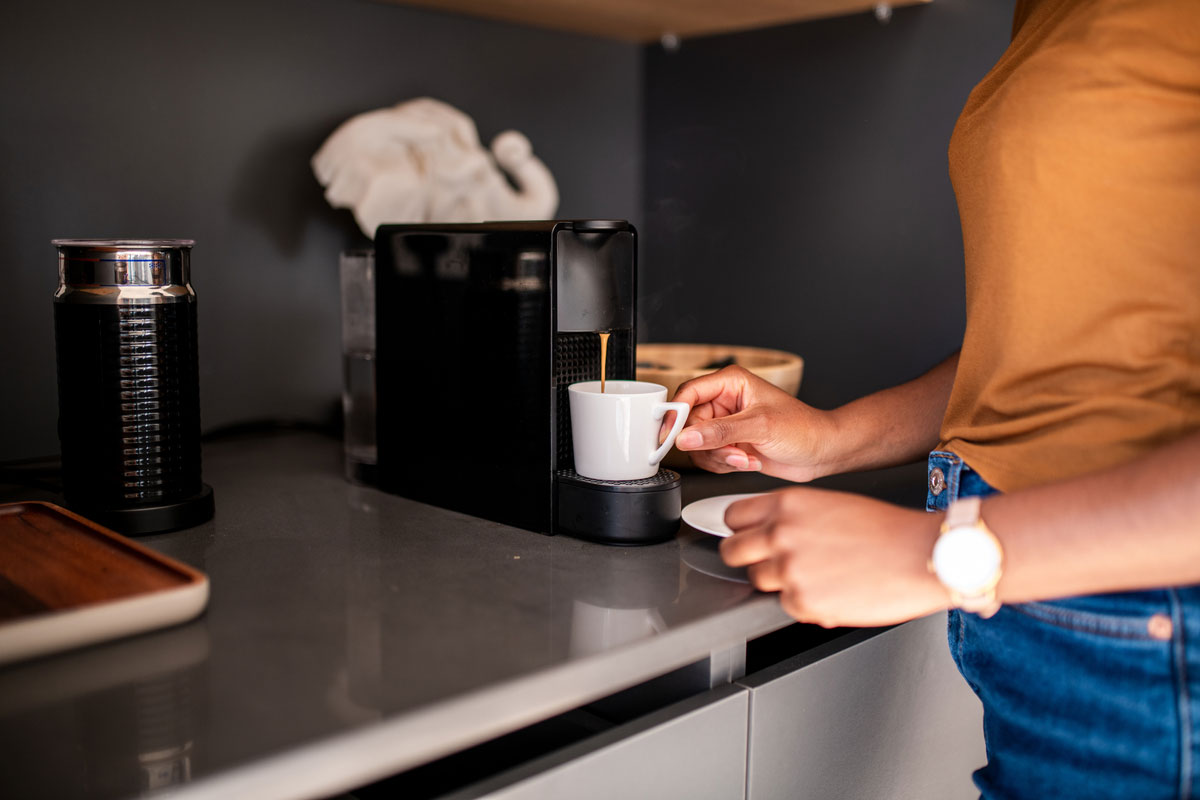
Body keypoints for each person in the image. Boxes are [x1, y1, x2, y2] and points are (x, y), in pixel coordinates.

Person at [668, 0, 1200, 797]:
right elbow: (1069, 340)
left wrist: (936, 555)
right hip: (1051, 609)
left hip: (1149, 629)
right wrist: (834, 438)